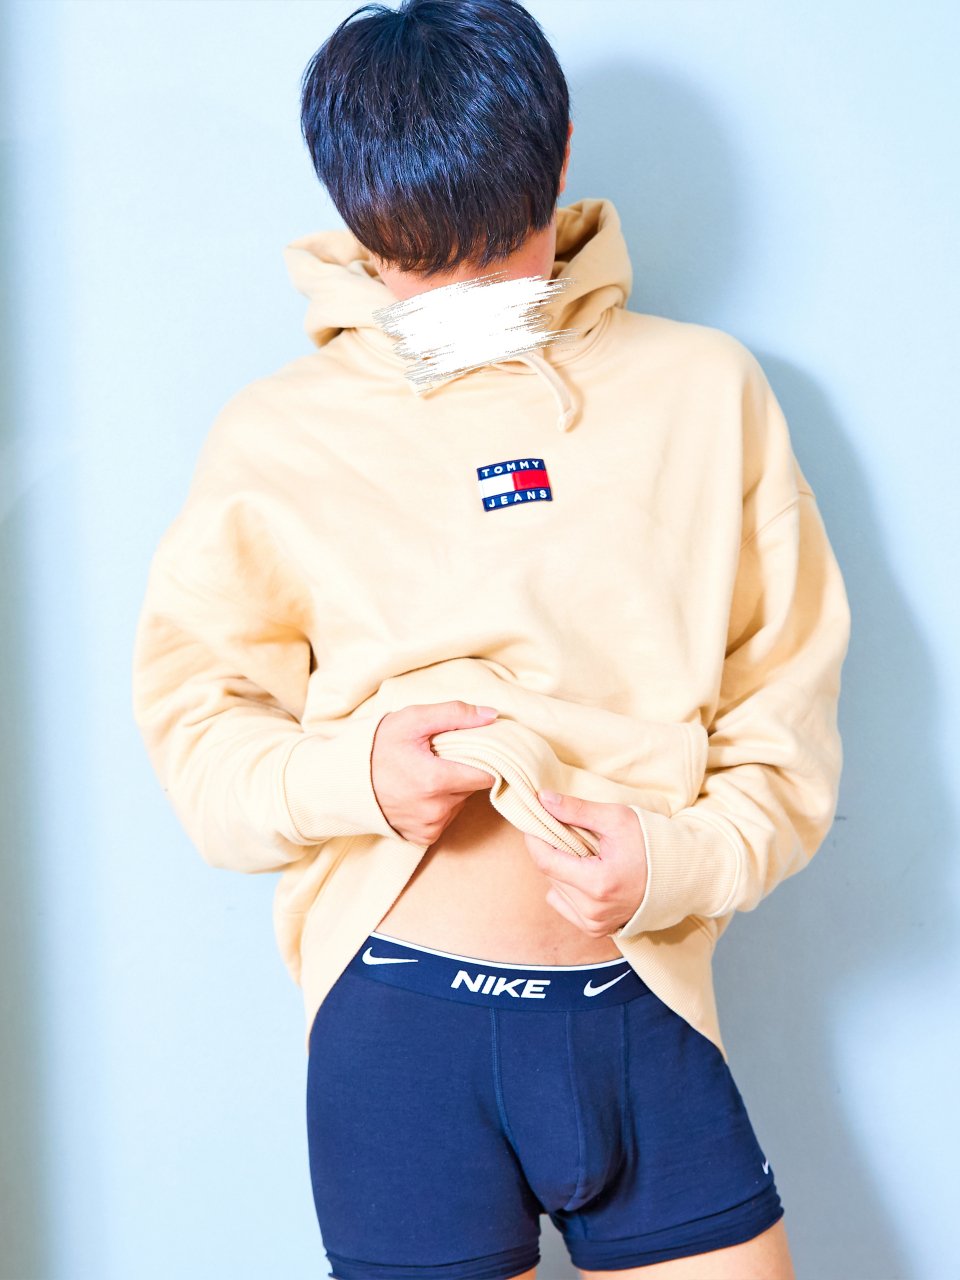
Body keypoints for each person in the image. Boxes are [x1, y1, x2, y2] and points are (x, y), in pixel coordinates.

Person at [131, 1, 851, 1277]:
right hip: (400, 1036)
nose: (464, 294)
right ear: (359, 215)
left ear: (559, 158)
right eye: (421, 256)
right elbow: (201, 739)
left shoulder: (707, 391)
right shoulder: (277, 434)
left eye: (494, 247)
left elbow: (782, 711)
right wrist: (356, 775)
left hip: (646, 1006)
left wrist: (680, 859)